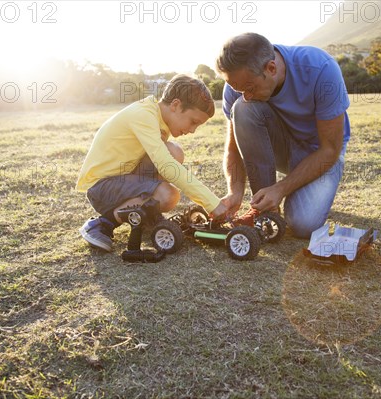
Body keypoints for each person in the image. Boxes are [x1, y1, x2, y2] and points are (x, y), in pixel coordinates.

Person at [216, 33, 351, 238]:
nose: (246, 95)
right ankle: (264, 211)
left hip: (319, 153)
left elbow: (330, 149)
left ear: (271, 68)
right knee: (243, 108)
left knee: (303, 225)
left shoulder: (322, 69)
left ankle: (286, 194)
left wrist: (280, 189)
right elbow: (233, 148)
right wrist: (235, 191)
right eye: (239, 89)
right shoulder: (238, 84)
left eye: (250, 88)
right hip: (281, 148)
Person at [76, 74, 228, 251]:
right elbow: (167, 167)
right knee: (168, 196)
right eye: (193, 122)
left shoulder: (158, 117)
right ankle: (103, 223)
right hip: (102, 188)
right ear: (176, 105)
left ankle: (148, 217)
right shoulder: (143, 115)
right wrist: (212, 203)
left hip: (123, 178)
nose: (193, 130)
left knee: (174, 151)